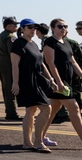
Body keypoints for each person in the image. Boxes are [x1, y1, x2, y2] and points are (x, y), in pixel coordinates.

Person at [11, 18, 56, 152]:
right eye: (29, 27)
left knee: (31, 111)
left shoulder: (34, 44)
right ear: (22, 29)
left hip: (38, 80)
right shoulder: (18, 43)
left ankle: (27, 142)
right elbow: (14, 65)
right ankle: (38, 142)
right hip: (27, 81)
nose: (33, 29)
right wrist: (15, 83)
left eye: (34, 27)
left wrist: (51, 79)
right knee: (46, 108)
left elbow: (41, 63)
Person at [38, 19, 82, 147]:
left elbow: (73, 62)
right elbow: (50, 63)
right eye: (60, 26)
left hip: (66, 81)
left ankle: (40, 137)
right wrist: (58, 82)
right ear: (53, 28)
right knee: (74, 109)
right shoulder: (50, 42)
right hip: (58, 82)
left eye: (65, 26)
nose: (63, 28)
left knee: (53, 109)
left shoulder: (66, 43)